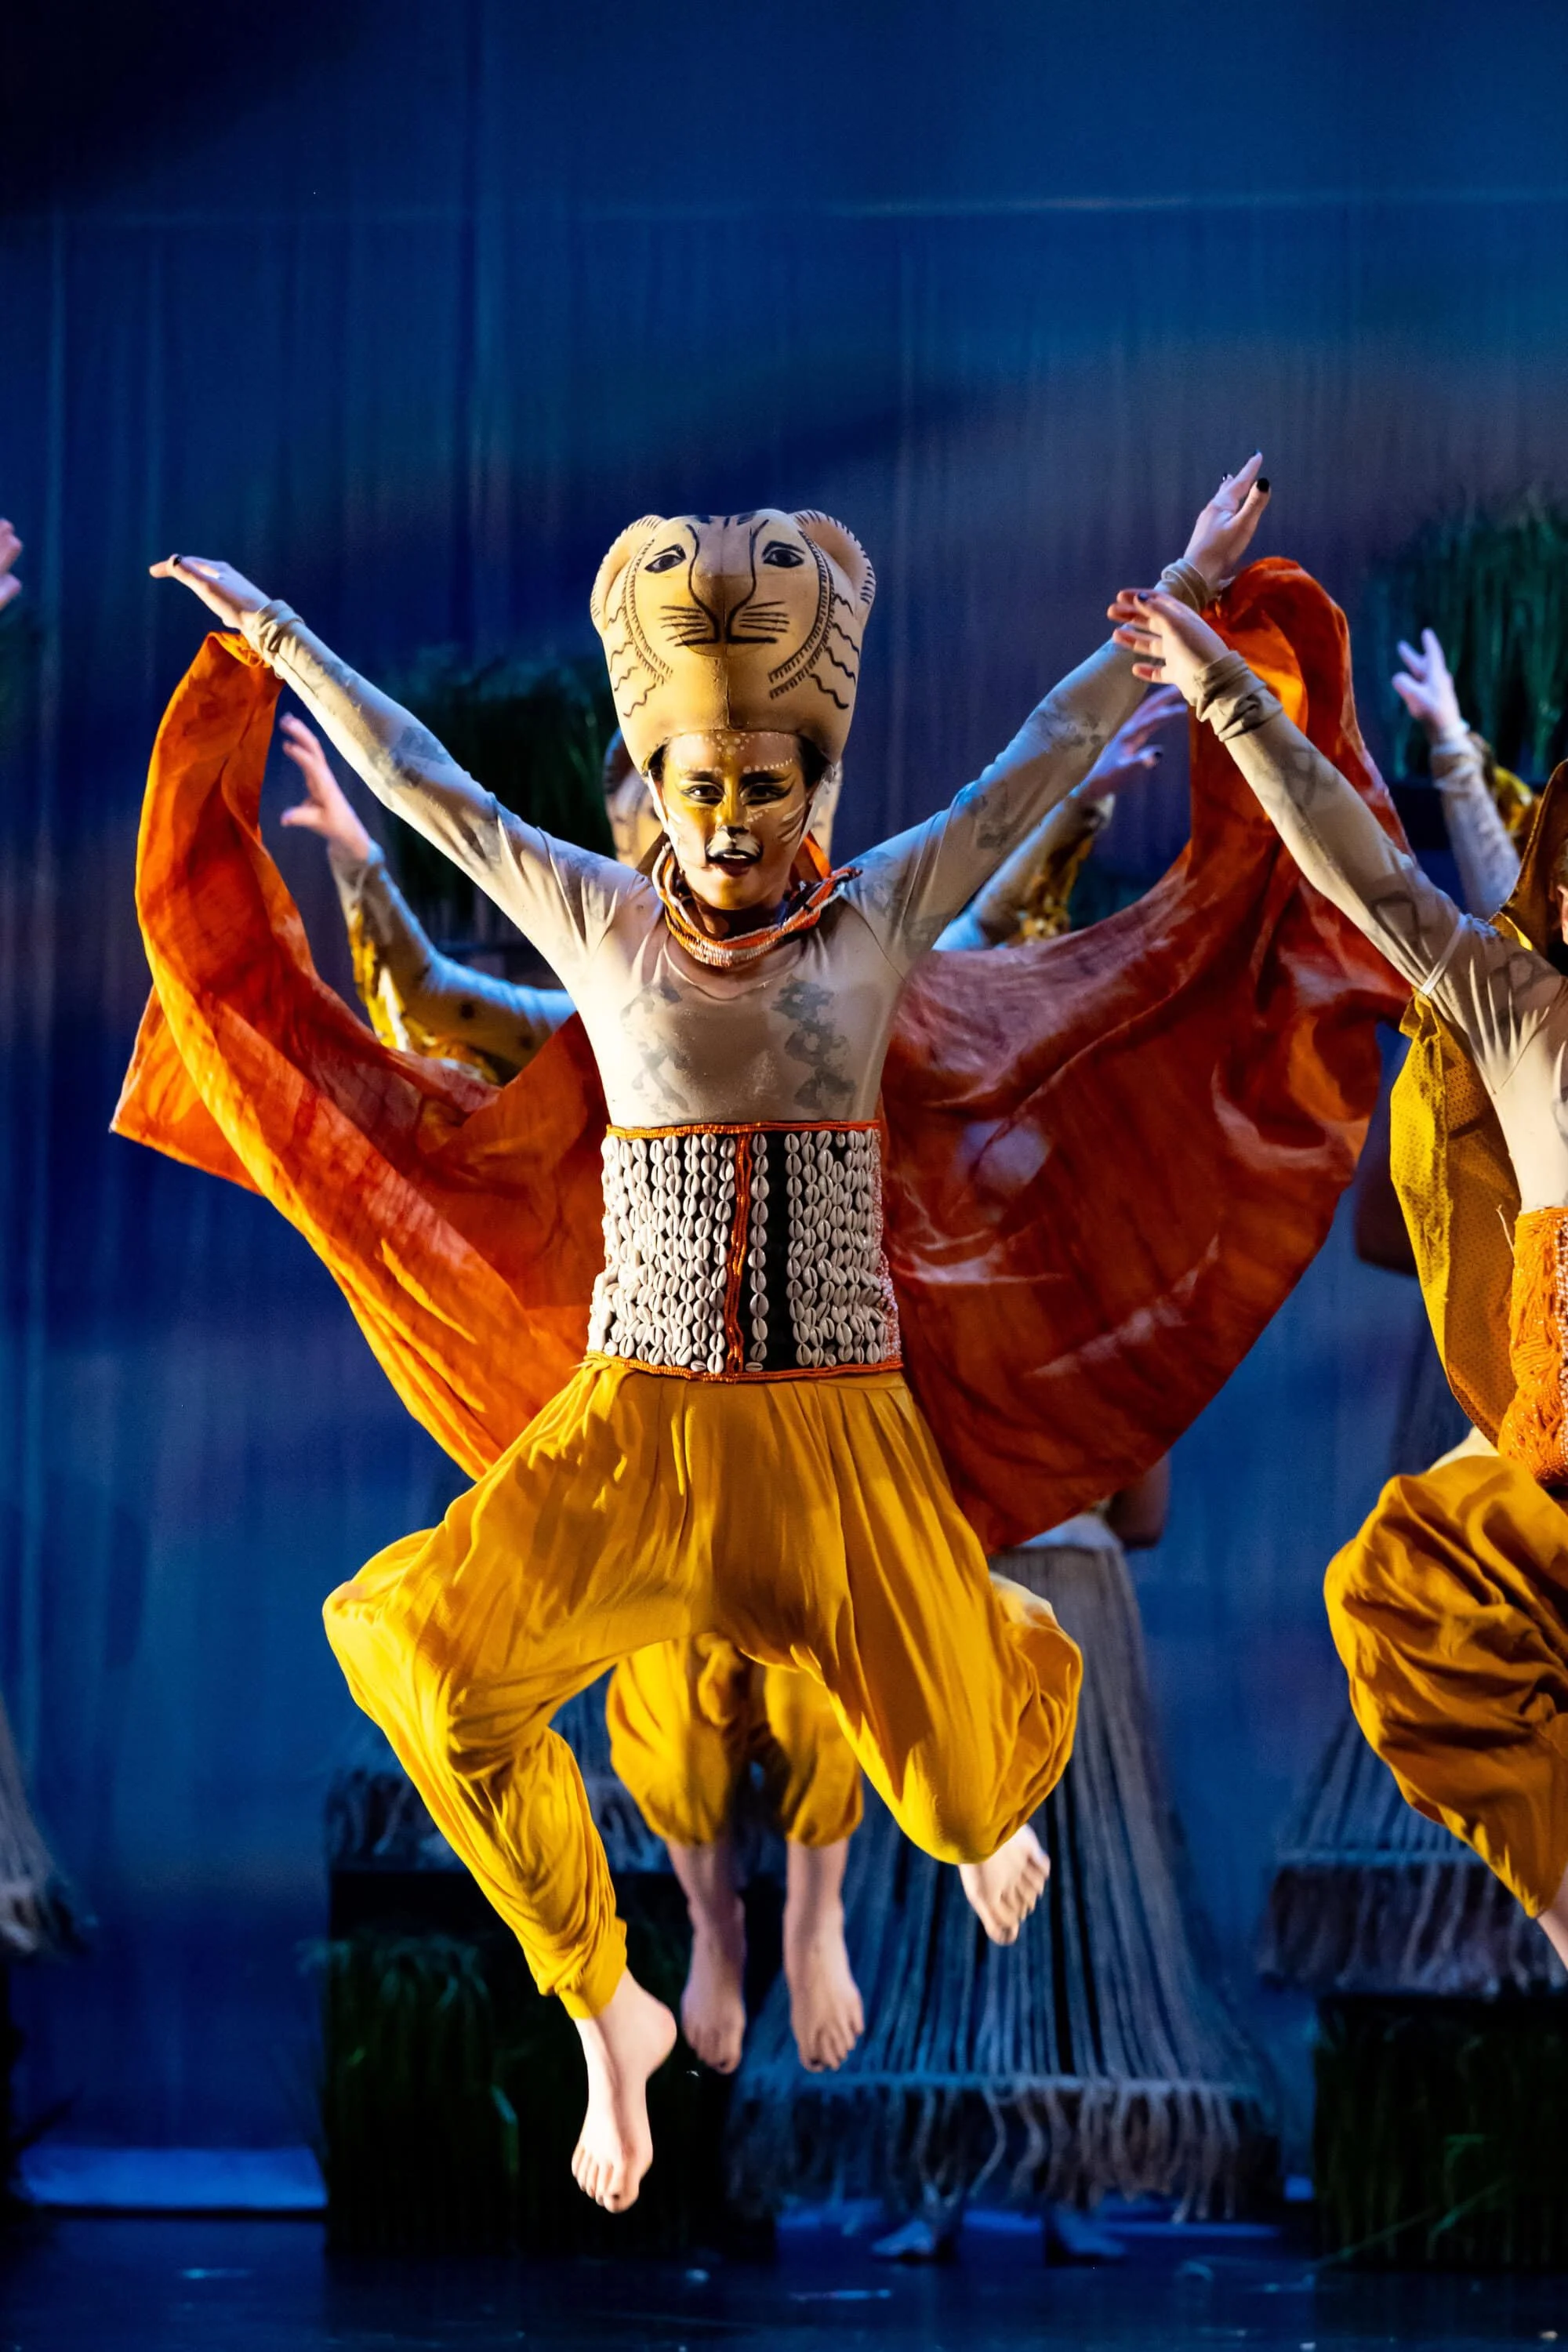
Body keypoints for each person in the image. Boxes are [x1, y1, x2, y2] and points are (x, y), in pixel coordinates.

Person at [150, 461, 1270, 2211]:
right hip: (638, 1435)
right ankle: (613, 2008)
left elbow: (1029, 763)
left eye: (766, 786)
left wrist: (1182, 588)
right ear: (653, 797)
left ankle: (966, 1695)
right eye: (699, 788)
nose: (733, 821)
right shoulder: (600, 926)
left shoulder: (878, 918)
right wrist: (283, 641)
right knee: (434, 1675)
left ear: (818, 786)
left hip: (837, 1442)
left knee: (973, 1798)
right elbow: (434, 791)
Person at [278, 663, 1182, 2082]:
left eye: (745, 805)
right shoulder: (602, 992)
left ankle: (829, 1897)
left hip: (827, 1385)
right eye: (675, 817)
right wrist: (362, 873)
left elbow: (985, 925)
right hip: (654, 1397)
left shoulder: (847, 958)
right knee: (669, 1700)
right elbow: (439, 999)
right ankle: (702, 1932)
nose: (709, 840)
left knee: (848, 1687)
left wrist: (1069, 808)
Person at [1110, 576, 1568, 1977]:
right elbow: (1362, 871)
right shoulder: (1519, 1007)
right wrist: (1226, 695)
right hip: (1551, 1467)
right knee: (1402, 1592)